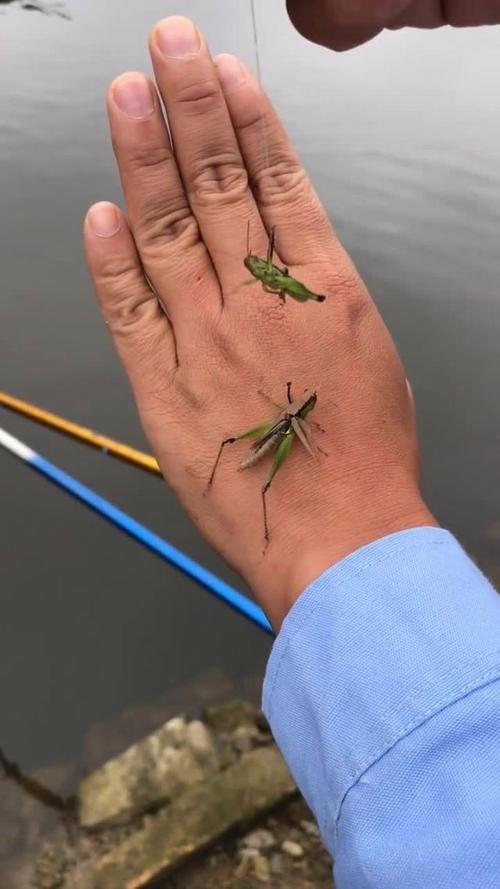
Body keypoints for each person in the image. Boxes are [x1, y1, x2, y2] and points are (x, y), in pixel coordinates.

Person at [83, 6, 500, 886]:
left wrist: (336, 528)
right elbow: (293, 418)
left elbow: (300, 426)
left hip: (280, 440)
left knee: (280, 447)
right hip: (268, 434)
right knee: (272, 440)